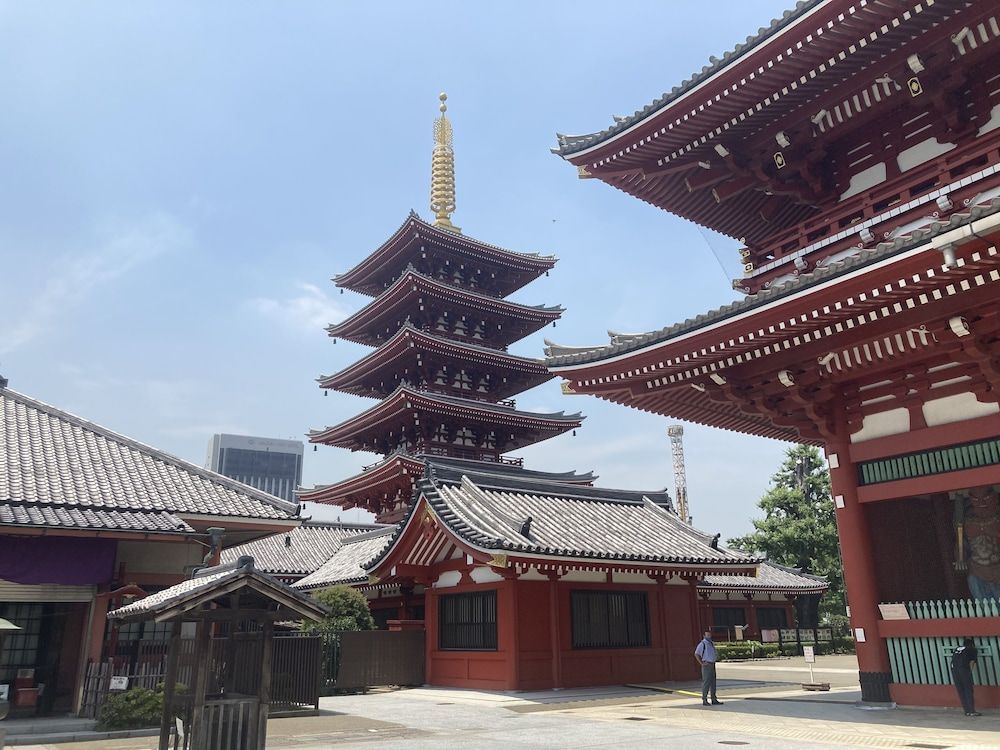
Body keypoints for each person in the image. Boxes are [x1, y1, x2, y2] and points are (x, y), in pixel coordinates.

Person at [951, 638, 980, 717]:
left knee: (961, 690)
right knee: (968, 689)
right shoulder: (972, 649)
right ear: (972, 644)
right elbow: (972, 662)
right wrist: (969, 673)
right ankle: (972, 711)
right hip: (963, 669)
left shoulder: (957, 648)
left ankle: (966, 711)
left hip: (954, 669)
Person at [694, 630, 723, 706]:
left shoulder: (711, 643)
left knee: (713, 683)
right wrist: (701, 663)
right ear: (704, 636)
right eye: (707, 635)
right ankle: (704, 699)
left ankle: (714, 699)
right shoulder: (702, 644)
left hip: (712, 664)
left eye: (710, 635)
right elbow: (696, 654)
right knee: (706, 683)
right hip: (707, 665)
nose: (709, 636)